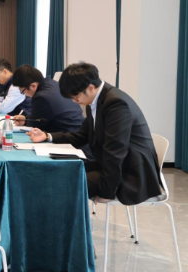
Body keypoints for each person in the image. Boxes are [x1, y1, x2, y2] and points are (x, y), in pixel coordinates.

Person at [26, 63, 162, 205]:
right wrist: (48, 136)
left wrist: (106, 193)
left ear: (90, 87)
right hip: (108, 165)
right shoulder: (95, 100)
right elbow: (81, 136)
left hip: (130, 173)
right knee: (59, 172)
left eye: (75, 96)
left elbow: (115, 153)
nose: (74, 101)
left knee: (63, 184)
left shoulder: (117, 104)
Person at [11, 64, 84, 133]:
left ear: (33, 86)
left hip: (66, 134)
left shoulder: (41, 97)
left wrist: (26, 121)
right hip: (78, 128)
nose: (25, 94)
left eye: (22, 91)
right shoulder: (52, 82)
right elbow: (41, 117)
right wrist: (25, 120)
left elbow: (37, 125)